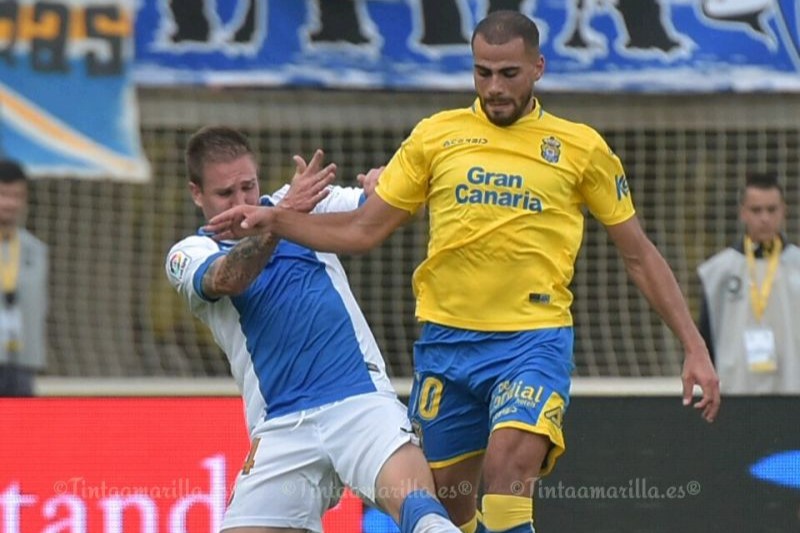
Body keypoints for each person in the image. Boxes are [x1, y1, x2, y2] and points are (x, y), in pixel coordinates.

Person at [203, 11, 721, 533]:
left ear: (538, 67)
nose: (494, 88)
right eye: (482, 73)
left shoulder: (580, 147)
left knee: (506, 477)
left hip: (531, 342)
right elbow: (362, 230)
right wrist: (276, 218)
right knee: (448, 511)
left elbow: (638, 254)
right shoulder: (436, 136)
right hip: (447, 348)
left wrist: (693, 345)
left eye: (508, 74)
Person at [165, 126, 461, 533]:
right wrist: (279, 218)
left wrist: (387, 189)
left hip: (359, 400)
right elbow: (228, 279)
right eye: (225, 194)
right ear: (196, 193)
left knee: (422, 512)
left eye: (248, 187)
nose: (241, 202)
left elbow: (387, 212)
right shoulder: (189, 253)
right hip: (281, 429)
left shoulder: (307, 204)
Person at [698, 172, 800, 394]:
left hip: (793, 390)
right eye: (756, 210)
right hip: (736, 391)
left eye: (771, 210)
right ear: (743, 212)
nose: (765, 218)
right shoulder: (718, 272)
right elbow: (705, 339)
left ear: (784, 211)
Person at [0, 160, 48, 397]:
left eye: (17, 195)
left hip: (22, 364)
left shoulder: (35, 249)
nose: (9, 203)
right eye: (3, 194)